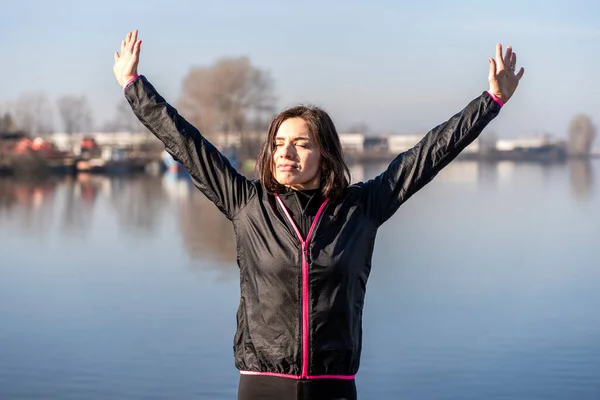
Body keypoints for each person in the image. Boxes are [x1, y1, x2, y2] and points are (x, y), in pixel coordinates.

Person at [113, 29, 524, 400]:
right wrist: (134, 86)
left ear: (324, 153)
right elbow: (186, 143)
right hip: (261, 383)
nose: (285, 153)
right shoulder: (248, 205)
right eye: (279, 143)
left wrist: (490, 102)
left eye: (300, 143)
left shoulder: (361, 208)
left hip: (334, 387)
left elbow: (428, 155)